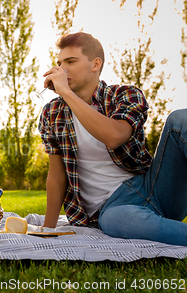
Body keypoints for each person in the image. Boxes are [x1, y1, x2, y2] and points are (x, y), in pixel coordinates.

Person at [39, 32, 187, 246]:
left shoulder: (125, 95)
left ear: (95, 64)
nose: (62, 69)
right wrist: (48, 229)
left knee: (180, 119)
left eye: (71, 62)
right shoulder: (52, 112)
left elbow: (115, 136)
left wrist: (67, 94)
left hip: (153, 188)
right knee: (115, 221)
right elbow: (56, 176)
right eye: (60, 63)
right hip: (113, 209)